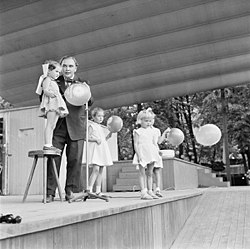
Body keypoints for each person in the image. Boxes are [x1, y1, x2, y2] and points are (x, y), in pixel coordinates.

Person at [45, 55, 93, 203]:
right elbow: (43, 98)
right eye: (64, 66)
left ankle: (71, 191)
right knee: (53, 160)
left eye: (70, 66)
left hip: (77, 126)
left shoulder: (83, 83)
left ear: (75, 68)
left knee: (75, 161)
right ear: (60, 67)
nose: (67, 69)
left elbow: (89, 102)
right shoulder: (52, 80)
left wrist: (87, 90)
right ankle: (50, 193)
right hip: (58, 126)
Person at [37, 60, 68, 151]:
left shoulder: (53, 81)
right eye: (56, 71)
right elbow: (45, 90)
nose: (58, 74)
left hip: (56, 104)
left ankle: (49, 143)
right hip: (51, 104)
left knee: (53, 125)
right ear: (49, 71)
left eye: (59, 72)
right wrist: (50, 94)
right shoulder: (47, 79)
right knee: (50, 124)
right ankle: (47, 143)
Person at [132, 108, 163, 200]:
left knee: (150, 173)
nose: (148, 123)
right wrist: (138, 154)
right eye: (146, 121)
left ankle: (150, 190)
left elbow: (155, 142)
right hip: (142, 152)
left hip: (151, 152)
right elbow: (136, 143)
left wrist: (157, 152)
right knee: (142, 173)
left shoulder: (153, 131)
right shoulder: (138, 131)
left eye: (150, 121)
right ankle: (143, 192)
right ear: (140, 120)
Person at [83, 107, 113, 196]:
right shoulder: (91, 125)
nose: (101, 118)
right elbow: (86, 138)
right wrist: (95, 139)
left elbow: (103, 140)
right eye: (99, 116)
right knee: (95, 169)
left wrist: (109, 135)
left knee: (100, 170)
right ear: (93, 116)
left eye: (102, 116)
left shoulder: (101, 127)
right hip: (95, 151)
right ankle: (89, 189)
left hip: (101, 150)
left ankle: (98, 190)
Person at [151, 118, 170, 197]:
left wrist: (165, 132)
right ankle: (150, 189)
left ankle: (157, 189)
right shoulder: (143, 131)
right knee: (149, 172)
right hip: (148, 152)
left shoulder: (156, 130)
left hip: (156, 151)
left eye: (152, 119)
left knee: (157, 171)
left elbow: (159, 141)